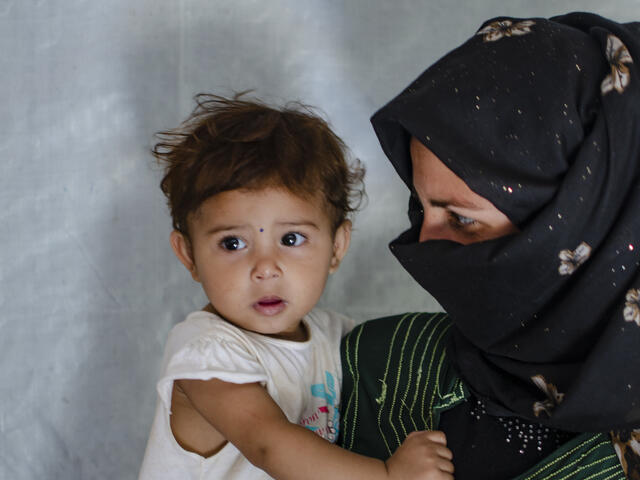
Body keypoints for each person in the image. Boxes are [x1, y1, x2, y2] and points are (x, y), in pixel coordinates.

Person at [339, 12, 639, 480]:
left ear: (585, 221)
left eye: (461, 219)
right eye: (421, 209)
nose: (424, 246)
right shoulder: (384, 365)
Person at [138, 94, 455, 479]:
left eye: (291, 239)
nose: (265, 268)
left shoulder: (336, 338)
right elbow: (268, 443)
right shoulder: (207, 354)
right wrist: (387, 476)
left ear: (336, 247)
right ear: (188, 254)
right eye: (232, 243)